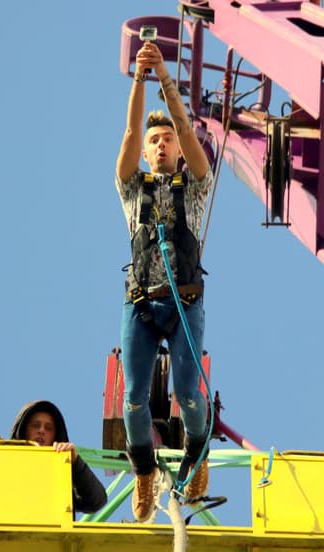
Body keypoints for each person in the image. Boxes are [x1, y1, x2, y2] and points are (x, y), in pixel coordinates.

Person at [115, 39, 213, 522]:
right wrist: (139, 77)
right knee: (134, 399)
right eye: (156, 141)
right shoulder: (133, 188)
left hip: (184, 302)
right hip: (141, 304)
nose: (160, 143)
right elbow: (132, 131)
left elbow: (193, 143)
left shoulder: (195, 188)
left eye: (166, 138)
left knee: (188, 393)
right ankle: (144, 471)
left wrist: (167, 83)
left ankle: (199, 454)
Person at [0, 400, 108, 515]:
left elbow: (97, 501)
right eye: (35, 425)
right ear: (24, 429)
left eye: (48, 428)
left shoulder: (59, 480)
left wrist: (75, 463)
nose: (41, 430)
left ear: (55, 436)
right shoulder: (1, 465)